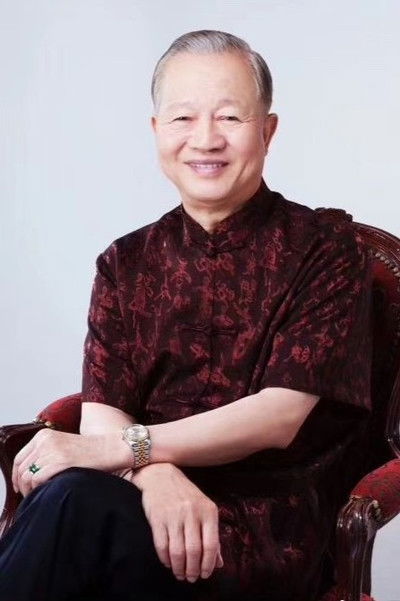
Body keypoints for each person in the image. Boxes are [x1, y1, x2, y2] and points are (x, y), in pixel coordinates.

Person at [0, 29, 373, 601]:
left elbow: (277, 417)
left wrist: (124, 454)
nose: (205, 139)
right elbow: (103, 413)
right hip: (139, 503)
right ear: (157, 131)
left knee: (71, 500)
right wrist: (155, 476)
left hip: (265, 526)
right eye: (182, 118)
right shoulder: (125, 261)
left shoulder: (327, 249)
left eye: (229, 117)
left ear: (268, 131)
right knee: (73, 505)